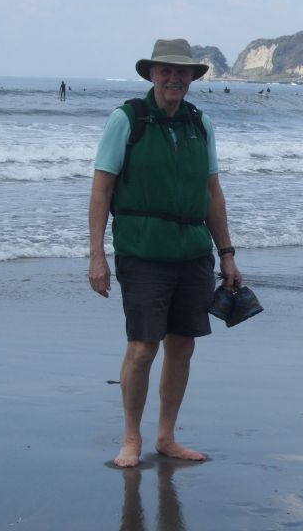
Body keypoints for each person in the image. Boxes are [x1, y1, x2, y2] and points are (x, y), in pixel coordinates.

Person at [88, 38, 242, 468]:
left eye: (182, 72)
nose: (174, 78)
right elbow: (102, 188)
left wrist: (227, 253)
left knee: (182, 347)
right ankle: (131, 439)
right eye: (166, 71)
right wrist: (96, 254)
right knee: (142, 348)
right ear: (152, 74)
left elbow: (212, 192)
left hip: (193, 253)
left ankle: (167, 437)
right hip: (142, 251)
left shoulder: (200, 124)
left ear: (192, 78)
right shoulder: (128, 119)